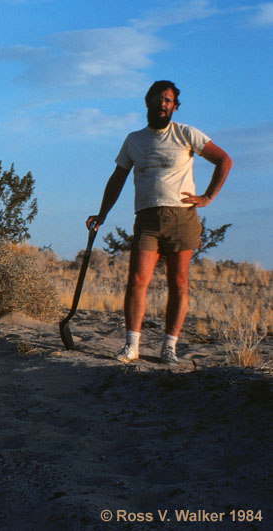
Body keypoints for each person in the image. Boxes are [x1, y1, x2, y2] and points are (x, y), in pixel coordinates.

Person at [87, 80, 232, 364]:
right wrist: (101, 214)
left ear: (174, 107)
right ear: (148, 101)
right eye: (158, 98)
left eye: (168, 100)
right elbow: (117, 179)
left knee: (178, 283)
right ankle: (132, 346)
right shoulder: (134, 140)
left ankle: (170, 348)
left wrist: (208, 197)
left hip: (182, 217)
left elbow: (224, 160)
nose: (162, 104)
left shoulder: (186, 133)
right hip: (147, 218)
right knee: (137, 280)